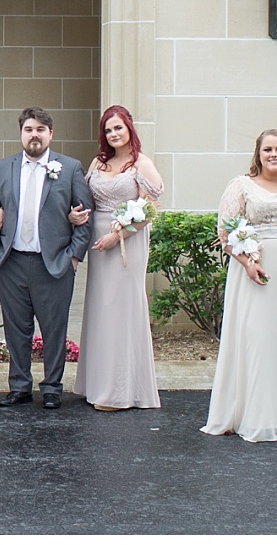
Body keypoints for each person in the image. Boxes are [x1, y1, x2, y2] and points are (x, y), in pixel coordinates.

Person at [201, 129, 277, 442]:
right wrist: (248, 264)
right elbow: (226, 234)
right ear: (259, 153)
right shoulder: (241, 185)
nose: (274, 154)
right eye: (268, 149)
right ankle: (253, 415)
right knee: (257, 338)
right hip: (254, 269)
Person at [0, 107, 93, 409]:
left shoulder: (69, 168)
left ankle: (52, 388)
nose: (35, 134)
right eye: (29, 129)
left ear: (50, 134)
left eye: (41, 129)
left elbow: (85, 217)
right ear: (21, 133)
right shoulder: (3, 168)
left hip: (55, 263)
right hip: (13, 262)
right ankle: (19, 386)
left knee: (54, 328)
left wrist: (74, 257)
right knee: (16, 328)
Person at [75, 105, 164, 411]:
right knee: (101, 309)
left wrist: (120, 234)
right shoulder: (99, 163)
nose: (114, 134)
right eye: (108, 129)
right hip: (98, 242)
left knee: (122, 310)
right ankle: (97, 385)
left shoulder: (142, 164)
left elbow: (150, 210)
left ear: (129, 129)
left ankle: (121, 392)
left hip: (127, 242)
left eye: (119, 128)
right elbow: (85, 198)